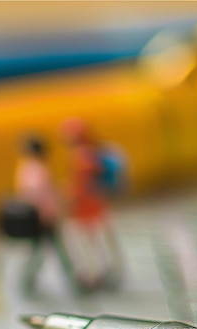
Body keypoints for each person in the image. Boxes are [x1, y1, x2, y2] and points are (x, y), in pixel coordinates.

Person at [60, 118, 123, 291]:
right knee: (96, 241)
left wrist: (68, 199)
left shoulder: (81, 157)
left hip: (83, 209)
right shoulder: (93, 153)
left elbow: (79, 185)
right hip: (96, 205)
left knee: (80, 243)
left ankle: (91, 276)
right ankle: (104, 271)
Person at [14, 134, 75, 294]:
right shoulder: (37, 169)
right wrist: (48, 214)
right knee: (54, 252)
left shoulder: (26, 167)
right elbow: (38, 193)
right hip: (44, 218)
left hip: (38, 217)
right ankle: (74, 282)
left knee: (39, 251)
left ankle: (26, 282)